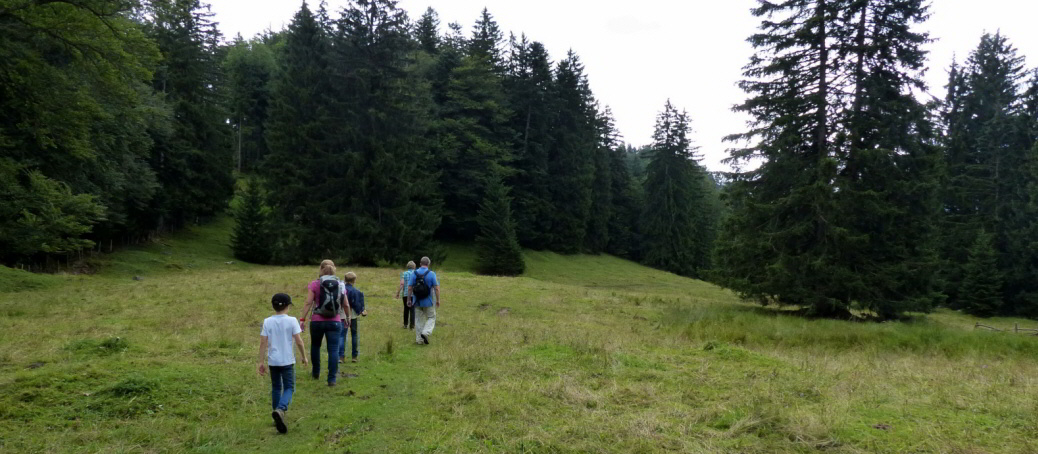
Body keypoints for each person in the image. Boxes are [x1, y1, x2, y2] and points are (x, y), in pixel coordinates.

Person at [257, 293, 307, 434]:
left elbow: (263, 342)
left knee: (276, 387)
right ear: (288, 306)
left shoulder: (267, 321)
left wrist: (261, 361)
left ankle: (276, 414)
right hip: (287, 361)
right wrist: (304, 356)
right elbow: (298, 341)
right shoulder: (292, 321)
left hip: (273, 361)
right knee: (289, 388)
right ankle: (281, 408)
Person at [299, 260, 345, 386]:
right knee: (333, 350)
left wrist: (302, 319)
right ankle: (332, 379)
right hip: (335, 321)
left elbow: (308, 302)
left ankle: (316, 372)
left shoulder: (314, 284)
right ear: (334, 269)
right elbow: (345, 303)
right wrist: (346, 317)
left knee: (315, 346)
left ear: (321, 269)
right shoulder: (341, 284)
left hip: (317, 321)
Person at [408, 256, 440, 345]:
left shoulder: (414, 273)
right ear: (428, 264)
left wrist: (409, 299)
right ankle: (426, 332)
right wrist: (438, 300)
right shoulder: (432, 274)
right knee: (431, 317)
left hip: (417, 300)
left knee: (418, 320)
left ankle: (419, 340)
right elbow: (436, 288)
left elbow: (410, 288)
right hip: (428, 301)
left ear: (420, 263)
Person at [339, 271, 367, 362]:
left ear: (345, 279)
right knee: (354, 335)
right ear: (354, 280)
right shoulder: (357, 291)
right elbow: (358, 304)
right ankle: (354, 357)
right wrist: (362, 311)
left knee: (342, 335)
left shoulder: (341, 290)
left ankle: (341, 357)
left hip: (343, 315)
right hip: (353, 316)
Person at [395, 261, 416, 329]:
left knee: (406, 309)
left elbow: (402, 284)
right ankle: (412, 326)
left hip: (405, 294)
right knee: (412, 309)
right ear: (414, 267)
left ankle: (405, 324)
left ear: (407, 266)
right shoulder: (416, 273)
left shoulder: (404, 274)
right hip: (414, 294)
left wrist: (398, 293)